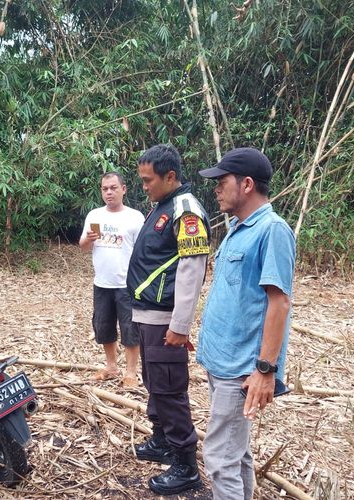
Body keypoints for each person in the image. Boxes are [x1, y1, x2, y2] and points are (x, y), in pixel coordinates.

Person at [196, 147, 296, 499]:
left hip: (242, 370)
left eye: (222, 182)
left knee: (220, 459)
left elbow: (279, 302)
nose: (216, 189)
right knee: (236, 456)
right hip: (222, 361)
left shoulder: (273, 231)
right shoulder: (240, 229)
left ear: (247, 184)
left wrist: (265, 370)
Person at [126, 144, 210, 495]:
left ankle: (185, 464)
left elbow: (192, 270)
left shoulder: (186, 210)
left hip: (165, 320)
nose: (143, 186)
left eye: (148, 180)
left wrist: (180, 324)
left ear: (170, 176)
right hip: (148, 314)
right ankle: (161, 440)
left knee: (170, 389)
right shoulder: (162, 205)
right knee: (154, 382)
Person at [79, 172, 145, 388]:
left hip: (127, 284)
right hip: (102, 283)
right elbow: (83, 246)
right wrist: (87, 239)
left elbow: (143, 252)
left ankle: (131, 372)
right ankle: (111, 366)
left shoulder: (135, 217)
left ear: (123, 189)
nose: (109, 192)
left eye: (113, 188)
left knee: (130, 329)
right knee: (103, 326)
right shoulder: (95, 215)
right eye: (105, 188)